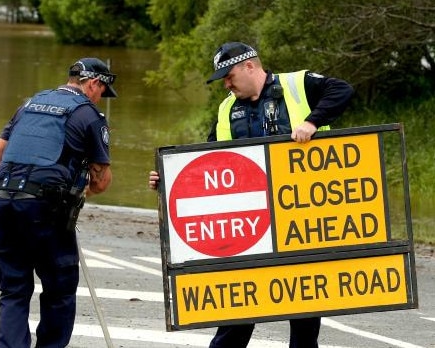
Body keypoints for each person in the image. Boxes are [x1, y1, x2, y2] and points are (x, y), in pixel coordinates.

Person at [148, 42, 354, 347]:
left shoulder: (297, 85)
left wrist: (312, 122)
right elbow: (207, 161)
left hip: (300, 219)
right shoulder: (227, 108)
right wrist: (169, 177)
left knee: (304, 311)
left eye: (229, 76)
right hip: (250, 221)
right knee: (239, 309)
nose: (226, 84)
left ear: (249, 67)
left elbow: (343, 90)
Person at [0, 57, 116, 348]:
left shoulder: (29, 104)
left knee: (14, 289)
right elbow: (101, 181)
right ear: (93, 83)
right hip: (46, 209)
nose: (100, 99)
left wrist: (20, 190)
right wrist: (73, 193)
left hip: (3, 200)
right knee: (59, 287)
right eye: (102, 92)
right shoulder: (89, 115)